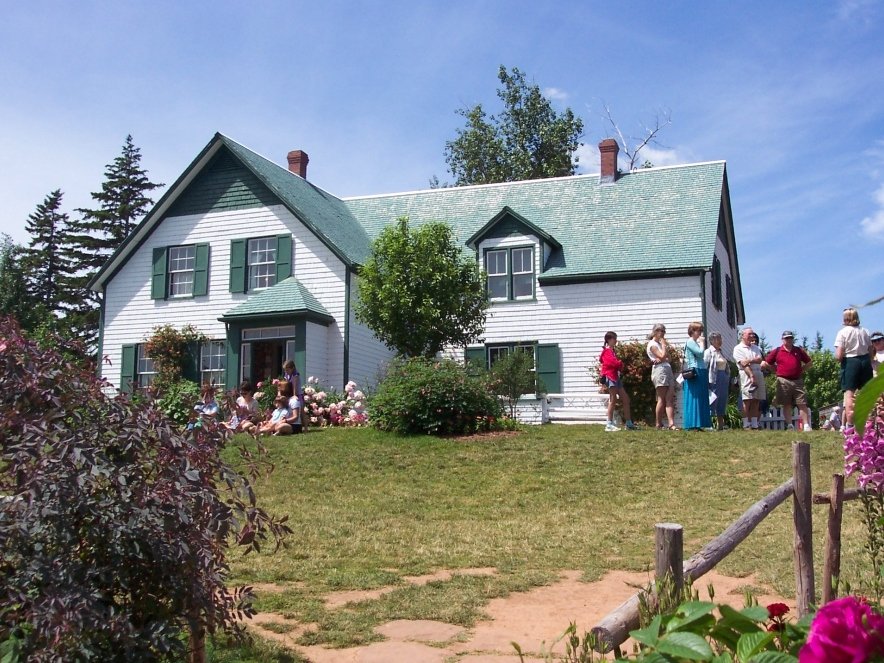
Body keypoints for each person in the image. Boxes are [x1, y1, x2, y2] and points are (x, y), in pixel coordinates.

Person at [834, 307, 873, 429]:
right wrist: (868, 360)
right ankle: (868, 422)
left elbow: (839, 355)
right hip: (865, 361)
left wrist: (839, 359)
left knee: (849, 393)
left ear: (845, 318)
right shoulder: (865, 331)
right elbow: (871, 350)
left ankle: (850, 424)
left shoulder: (843, 332)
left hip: (850, 362)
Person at [765, 331, 812, 430]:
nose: (789, 340)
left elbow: (809, 362)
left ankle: (806, 425)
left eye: (790, 338)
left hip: (797, 380)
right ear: (782, 339)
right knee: (786, 403)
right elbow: (766, 363)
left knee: (802, 403)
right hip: (783, 380)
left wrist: (801, 370)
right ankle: (790, 425)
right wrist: (775, 371)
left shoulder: (798, 350)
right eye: (786, 338)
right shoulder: (777, 351)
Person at [599, 331, 637, 431]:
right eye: (614, 339)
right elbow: (613, 364)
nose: (616, 341)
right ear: (609, 340)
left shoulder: (612, 351)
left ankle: (629, 423)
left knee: (625, 399)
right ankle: (609, 424)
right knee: (613, 399)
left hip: (615, 377)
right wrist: (619, 363)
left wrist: (618, 364)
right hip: (610, 376)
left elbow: (615, 364)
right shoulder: (607, 351)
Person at [733, 327, 766, 430]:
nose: (752, 336)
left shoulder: (755, 348)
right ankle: (746, 423)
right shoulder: (738, 348)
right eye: (749, 334)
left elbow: (760, 359)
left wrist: (749, 360)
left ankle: (755, 424)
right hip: (746, 374)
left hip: (758, 372)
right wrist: (751, 376)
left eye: (753, 334)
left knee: (756, 399)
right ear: (743, 335)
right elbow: (743, 364)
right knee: (747, 399)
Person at [682, 322, 712, 431]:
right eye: (697, 330)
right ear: (692, 331)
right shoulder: (690, 341)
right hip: (695, 371)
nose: (699, 333)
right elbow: (700, 353)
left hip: (701, 370)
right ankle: (692, 424)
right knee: (695, 398)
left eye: (700, 330)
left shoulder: (695, 342)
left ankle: (699, 424)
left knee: (701, 398)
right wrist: (702, 342)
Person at [646, 323, 677, 430]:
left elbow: (668, 358)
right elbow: (662, 356)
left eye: (664, 331)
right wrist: (663, 347)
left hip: (667, 369)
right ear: (655, 331)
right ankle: (658, 423)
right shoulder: (652, 344)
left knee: (669, 398)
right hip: (660, 371)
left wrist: (664, 356)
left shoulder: (660, 344)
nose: (663, 333)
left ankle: (671, 424)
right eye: (661, 331)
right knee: (661, 399)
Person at [704, 331, 731, 430]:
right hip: (714, 378)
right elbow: (705, 366)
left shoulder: (720, 352)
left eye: (720, 339)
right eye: (717, 339)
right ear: (712, 340)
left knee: (722, 400)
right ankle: (708, 424)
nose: (719, 341)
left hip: (723, 377)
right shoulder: (709, 352)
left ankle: (720, 425)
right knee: (713, 400)